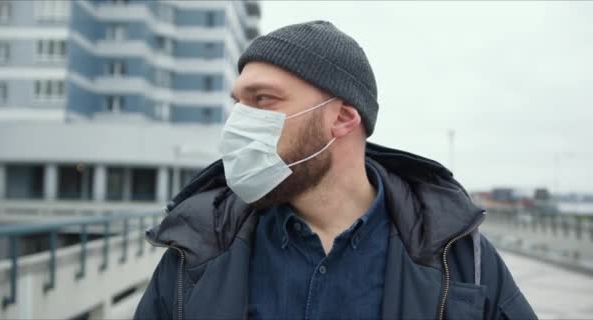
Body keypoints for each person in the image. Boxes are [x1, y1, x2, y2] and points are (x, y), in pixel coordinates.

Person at [134, 20, 537, 320]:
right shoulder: (198, 249)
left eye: (262, 100)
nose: (238, 121)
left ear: (343, 118)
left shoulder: (459, 257)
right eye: (238, 102)